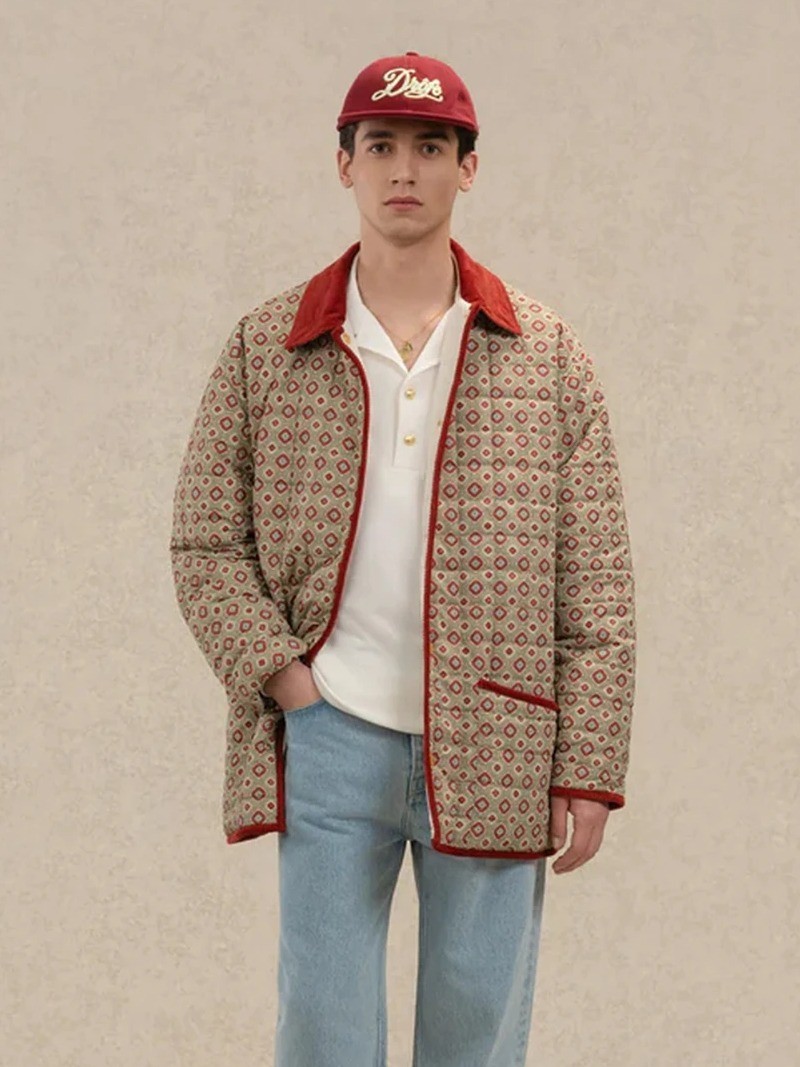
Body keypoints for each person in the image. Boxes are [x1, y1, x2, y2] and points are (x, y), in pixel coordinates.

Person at [170, 50, 637, 1067]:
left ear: (467, 167)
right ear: (344, 163)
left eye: (431, 146)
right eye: (380, 145)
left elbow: (596, 583)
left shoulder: (546, 354)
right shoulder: (267, 346)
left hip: (499, 732)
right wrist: (287, 680)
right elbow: (204, 540)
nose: (404, 169)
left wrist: (588, 767)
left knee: (477, 1034)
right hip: (329, 731)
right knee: (322, 1031)